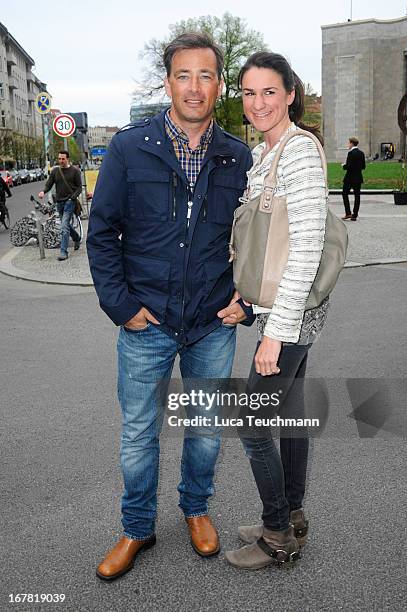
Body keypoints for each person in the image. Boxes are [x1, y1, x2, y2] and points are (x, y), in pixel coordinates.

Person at [87, 32, 253, 581]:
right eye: (184, 75)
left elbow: (260, 240)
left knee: (204, 429)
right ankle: (136, 527)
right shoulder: (130, 148)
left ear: (219, 85)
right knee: (139, 433)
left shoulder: (238, 154)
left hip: (211, 323)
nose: (194, 87)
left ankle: (196, 509)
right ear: (168, 82)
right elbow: (102, 233)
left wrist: (248, 301)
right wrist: (121, 305)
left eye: (206, 75)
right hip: (147, 322)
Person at [223, 51, 329, 570]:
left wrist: (275, 332)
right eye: (249, 93)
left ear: (290, 93)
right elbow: (269, 245)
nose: (259, 102)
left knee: (250, 420)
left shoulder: (298, 151)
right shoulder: (268, 152)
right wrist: (247, 305)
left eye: (270, 91)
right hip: (284, 310)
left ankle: (276, 532)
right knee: (287, 415)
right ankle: (292, 513)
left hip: (290, 317)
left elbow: (306, 246)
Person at [39, 150, 82, 260]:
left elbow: (79, 187)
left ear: (68, 159)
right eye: (59, 159)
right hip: (59, 202)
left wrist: (72, 198)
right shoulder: (55, 171)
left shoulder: (75, 171)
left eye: (63, 159)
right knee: (66, 224)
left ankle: (64, 252)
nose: (61, 161)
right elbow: (49, 183)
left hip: (69, 202)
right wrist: (43, 191)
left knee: (63, 226)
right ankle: (76, 238)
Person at [341, 137, 365, 221]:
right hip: (358, 177)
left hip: (349, 178)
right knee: (357, 195)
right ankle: (355, 214)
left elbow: (348, 166)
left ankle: (348, 213)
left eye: (348, 143)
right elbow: (363, 166)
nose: (348, 145)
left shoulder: (351, 153)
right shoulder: (361, 153)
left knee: (344, 194)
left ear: (351, 143)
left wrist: (343, 165)